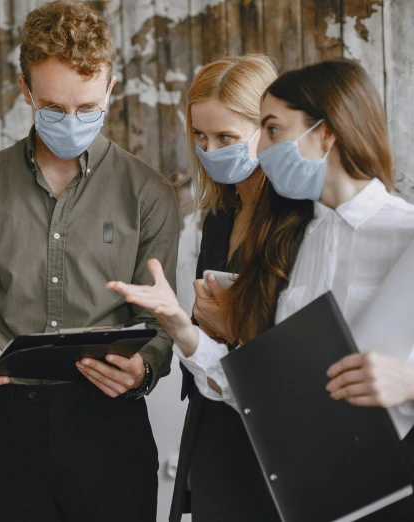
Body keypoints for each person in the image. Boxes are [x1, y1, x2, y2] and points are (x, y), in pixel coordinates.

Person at [109, 59, 414, 520]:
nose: (263, 151)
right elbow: (273, 382)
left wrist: (409, 384)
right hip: (286, 469)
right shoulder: (313, 238)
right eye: (200, 137)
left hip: (378, 488)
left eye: (271, 130)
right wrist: (180, 324)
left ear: (325, 134)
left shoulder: (402, 233)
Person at [0, 1, 179, 520]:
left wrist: (144, 368)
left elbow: (159, 320)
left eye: (87, 108)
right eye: (52, 108)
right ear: (25, 90)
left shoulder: (150, 194)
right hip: (13, 426)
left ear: (111, 88)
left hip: (111, 424)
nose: (71, 122)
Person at [167, 54, 282, 522]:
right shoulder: (218, 215)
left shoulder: (297, 219)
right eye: (200, 135)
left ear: (268, 130)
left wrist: (230, 325)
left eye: (226, 138)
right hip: (213, 422)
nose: (210, 149)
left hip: (274, 432)